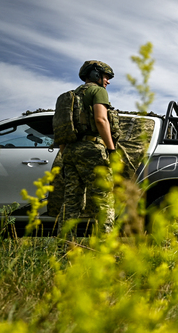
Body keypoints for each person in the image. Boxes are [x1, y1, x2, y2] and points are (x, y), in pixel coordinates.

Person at [58, 60, 119, 238]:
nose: (107, 81)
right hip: (91, 149)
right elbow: (101, 120)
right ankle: (106, 249)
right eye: (106, 76)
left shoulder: (68, 97)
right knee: (104, 200)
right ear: (95, 74)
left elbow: (61, 130)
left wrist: (65, 157)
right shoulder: (97, 91)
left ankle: (64, 248)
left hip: (70, 151)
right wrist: (111, 148)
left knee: (71, 203)